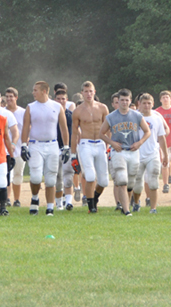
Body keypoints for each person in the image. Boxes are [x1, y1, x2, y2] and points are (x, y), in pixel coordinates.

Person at [21, 81, 70, 216]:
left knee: (51, 178)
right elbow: (25, 127)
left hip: (52, 145)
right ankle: (35, 198)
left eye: (35, 90)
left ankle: (50, 207)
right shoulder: (30, 107)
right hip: (35, 144)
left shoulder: (56, 106)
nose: (33, 92)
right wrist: (24, 145)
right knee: (36, 177)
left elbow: (63, 128)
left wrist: (66, 147)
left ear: (44, 91)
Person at [100, 89, 150, 216]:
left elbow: (147, 131)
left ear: (130, 101)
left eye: (127, 100)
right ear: (118, 101)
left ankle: (125, 204)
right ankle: (126, 210)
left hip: (133, 151)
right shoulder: (111, 116)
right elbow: (101, 133)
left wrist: (139, 143)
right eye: (122, 100)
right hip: (119, 151)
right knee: (122, 179)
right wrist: (112, 143)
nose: (124, 102)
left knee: (130, 183)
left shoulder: (137, 115)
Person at [70, 81, 110, 213]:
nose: (88, 94)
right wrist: (73, 153)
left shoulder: (103, 108)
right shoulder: (77, 111)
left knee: (104, 181)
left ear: (94, 92)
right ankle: (91, 206)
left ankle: (94, 198)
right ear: (82, 93)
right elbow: (74, 133)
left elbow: (108, 128)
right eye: (86, 91)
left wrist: (108, 145)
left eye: (90, 91)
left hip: (100, 143)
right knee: (90, 176)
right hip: (85, 144)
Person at [132, 93, 169, 214]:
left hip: (152, 154)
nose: (147, 106)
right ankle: (136, 203)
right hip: (137, 154)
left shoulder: (157, 118)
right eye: (144, 103)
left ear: (153, 104)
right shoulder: (134, 117)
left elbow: (162, 137)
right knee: (137, 184)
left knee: (153, 181)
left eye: (149, 103)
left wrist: (165, 155)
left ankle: (153, 208)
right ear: (139, 104)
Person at [155, 90, 171, 195]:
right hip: (163, 141)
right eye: (163, 97)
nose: (166, 99)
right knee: (164, 163)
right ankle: (165, 183)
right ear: (160, 100)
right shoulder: (157, 111)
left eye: (167, 97)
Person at [4, 87, 26, 207]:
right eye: (7, 96)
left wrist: (25, 144)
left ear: (16, 97)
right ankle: (7, 198)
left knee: (18, 175)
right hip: (5, 150)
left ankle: (16, 199)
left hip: (18, 149)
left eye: (11, 96)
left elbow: (27, 129)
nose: (9, 99)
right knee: (7, 175)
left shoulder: (22, 112)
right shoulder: (2, 112)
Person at [54, 89, 75, 210]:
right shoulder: (51, 114)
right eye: (58, 99)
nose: (61, 101)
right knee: (57, 177)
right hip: (54, 147)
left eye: (63, 99)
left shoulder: (70, 115)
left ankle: (68, 202)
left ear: (67, 100)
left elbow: (76, 132)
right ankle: (58, 203)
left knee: (68, 174)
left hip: (67, 148)